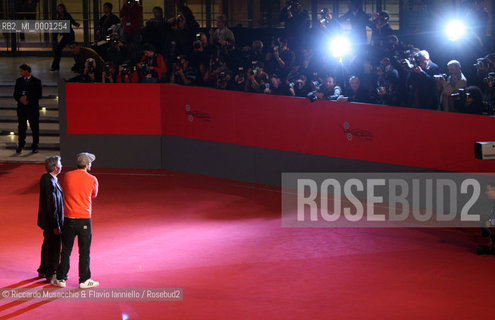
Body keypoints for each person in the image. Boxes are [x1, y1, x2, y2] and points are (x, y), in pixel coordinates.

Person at [52, 152, 99, 289]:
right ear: (87, 165)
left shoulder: (67, 176)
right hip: (84, 219)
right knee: (84, 251)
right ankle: (84, 279)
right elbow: (94, 194)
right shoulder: (92, 179)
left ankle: (61, 278)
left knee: (66, 249)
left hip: (68, 218)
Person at [37, 156, 64, 282]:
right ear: (55, 167)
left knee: (47, 244)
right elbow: (52, 205)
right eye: (60, 163)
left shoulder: (47, 178)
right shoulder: (50, 181)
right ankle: (51, 272)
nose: (61, 165)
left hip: (48, 221)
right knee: (54, 246)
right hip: (52, 221)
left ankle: (43, 269)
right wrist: (56, 225)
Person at [13, 63, 42, 154]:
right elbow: (15, 93)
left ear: (26, 71)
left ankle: (35, 145)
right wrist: (20, 99)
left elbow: (39, 95)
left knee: (34, 127)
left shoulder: (36, 81)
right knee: (21, 126)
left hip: (32, 107)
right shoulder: (19, 81)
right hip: (22, 108)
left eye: (21, 71)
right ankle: (21, 144)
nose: (20, 72)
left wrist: (28, 99)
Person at [50, 4, 80, 71]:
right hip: (65, 36)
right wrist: (54, 38)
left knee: (74, 51)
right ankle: (55, 66)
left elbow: (72, 21)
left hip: (70, 35)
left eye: (61, 8)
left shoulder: (67, 15)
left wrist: (76, 24)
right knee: (58, 50)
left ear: (63, 9)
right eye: (58, 8)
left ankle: (78, 65)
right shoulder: (59, 18)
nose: (60, 10)